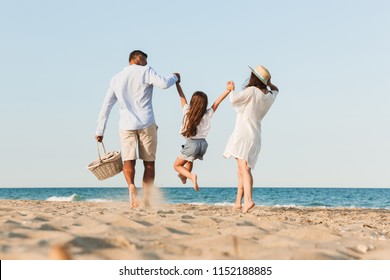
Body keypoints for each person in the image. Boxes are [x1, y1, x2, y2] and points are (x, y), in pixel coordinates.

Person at [95, 50, 180, 208]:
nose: (147, 64)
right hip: (146, 123)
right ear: (138, 59)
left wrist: (100, 130)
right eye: (145, 61)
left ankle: (131, 186)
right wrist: (175, 76)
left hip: (126, 125)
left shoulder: (116, 78)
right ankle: (146, 199)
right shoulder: (146, 71)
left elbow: (106, 106)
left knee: (128, 160)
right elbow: (163, 83)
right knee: (149, 163)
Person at [223, 65, 279, 213]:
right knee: (242, 169)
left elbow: (233, 99)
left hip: (243, 134)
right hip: (256, 136)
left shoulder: (252, 91)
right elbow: (277, 89)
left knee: (243, 168)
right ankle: (237, 202)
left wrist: (231, 88)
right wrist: (268, 82)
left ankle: (248, 200)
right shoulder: (269, 95)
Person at [173, 80, 234, 191]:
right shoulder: (207, 114)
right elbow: (217, 102)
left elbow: (182, 97)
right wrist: (228, 90)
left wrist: (177, 84)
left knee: (177, 166)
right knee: (190, 160)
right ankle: (184, 176)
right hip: (203, 145)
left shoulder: (187, 111)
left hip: (192, 144)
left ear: (192, 102)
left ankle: (191, 176)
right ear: (204, 104)